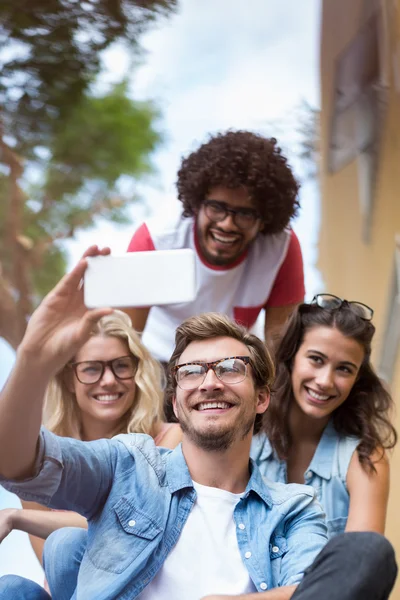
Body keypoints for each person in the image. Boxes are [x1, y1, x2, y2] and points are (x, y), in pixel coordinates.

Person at [0, 253, 396, 600]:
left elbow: (315, 586)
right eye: (191, 372)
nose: (210, 382)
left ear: (262, 397)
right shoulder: (129, 466)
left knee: (367, 553)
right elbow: (19, 462)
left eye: (230, 369)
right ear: (175, 401)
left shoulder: (294, 507)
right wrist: (33, 360)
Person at [0, 309, 181, 589]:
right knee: (11, 587)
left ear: (137, 372)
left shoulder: (170, 440)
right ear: (69, 380)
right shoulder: (42, 460)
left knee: (65, 541)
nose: (108, 380)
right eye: (92, 368)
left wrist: (18, 517)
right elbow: (53, 566)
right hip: (72, 590)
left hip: (138, 590)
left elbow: (135, 526)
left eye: (121, 365)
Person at [125, 130, 305, 367]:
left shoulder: (280, 249)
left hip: (232, 364)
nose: (227, 224)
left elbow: (281, 350)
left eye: (245, 214)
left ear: (265, 220)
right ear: (197, 203)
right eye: (216, 207)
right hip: (156, 360)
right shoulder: (156, 240)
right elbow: (123, 342)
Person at [251, 294, 397, 538]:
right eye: (316, 359)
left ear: (357, 379)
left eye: (344, 369)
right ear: (292, 357)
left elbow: (359, 566)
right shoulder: (246, 434)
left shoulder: (364, 459)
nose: (325, 381)